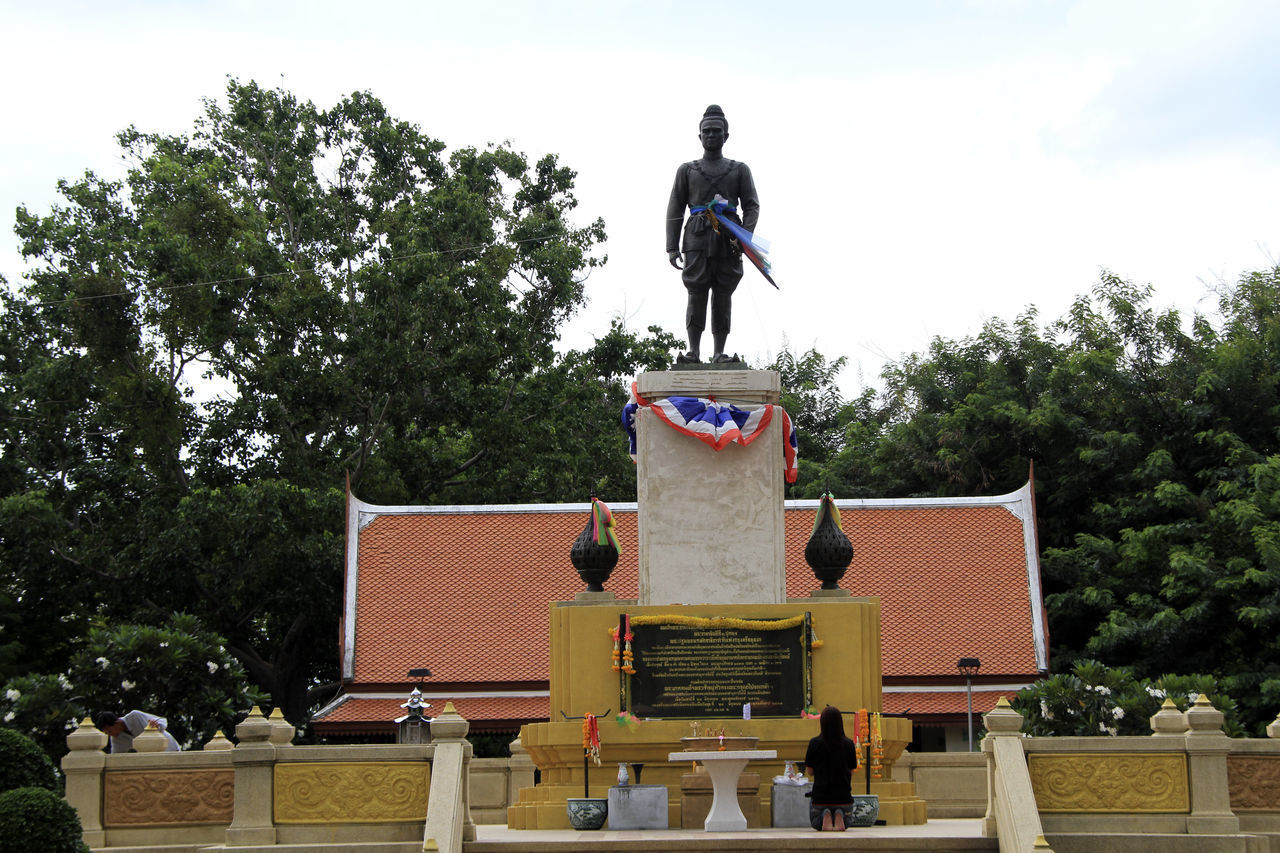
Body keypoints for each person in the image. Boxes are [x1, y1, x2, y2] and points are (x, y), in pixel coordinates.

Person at [665, 104, 760, 364]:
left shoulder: (739, 169)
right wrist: (671, 246)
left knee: (723, 292)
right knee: (696, 291)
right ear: (699, 136)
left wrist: (744, 237)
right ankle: (693, 351)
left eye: (716, 131)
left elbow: (751, 205)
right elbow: (675, 207)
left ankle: (719, 352)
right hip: (696, 236)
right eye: (706, 131)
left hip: (728, 238)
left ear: (726, 136)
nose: (711, 135)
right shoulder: (688, 170)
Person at [803, 705, 858, 831]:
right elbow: (852, 770)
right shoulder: (849, 744)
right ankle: (840, 815)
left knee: (815, 823)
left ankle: (824, 816)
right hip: (844, 798)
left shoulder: (814, 743)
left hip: (820, 798)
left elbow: (810, 771)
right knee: (847, 821)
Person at [92, 709, 180, 752]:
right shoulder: (116, 739)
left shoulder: (135, 716)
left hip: (169, 748)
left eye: (110, 731)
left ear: (117, 723)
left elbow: (161, 722)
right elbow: (116, 757)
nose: (110, 735)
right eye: (107, 733)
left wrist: (156, 727)